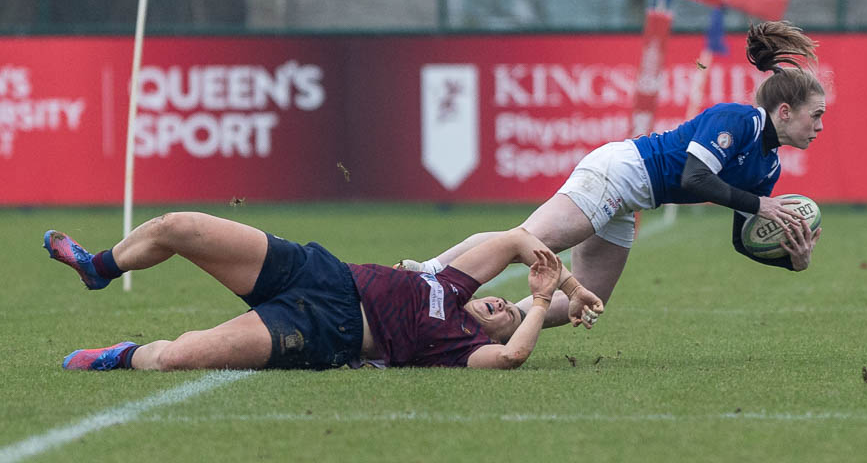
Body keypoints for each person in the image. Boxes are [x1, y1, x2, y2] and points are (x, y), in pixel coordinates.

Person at [400, 21, 826, 327]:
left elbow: (741, 239)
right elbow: (695, 178)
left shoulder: (767, 165)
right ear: (785, 111)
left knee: (583, 303)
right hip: (619, 172)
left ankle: (480, 327)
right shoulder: (737, 119)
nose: (821, 127)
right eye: (816, 115)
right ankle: (423, 275)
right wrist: (760, 204)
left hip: (633, 200)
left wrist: (792, 258)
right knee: (528, 241)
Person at [44, 212, 603, 371]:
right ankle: (98, 267)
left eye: (505, 312)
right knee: (178, 228)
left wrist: (537, 304)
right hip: (317, 273)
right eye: (504, 300)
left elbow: (513, 355)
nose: (500, 304)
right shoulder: (454, 285)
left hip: (321, 333)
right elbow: (512, 238)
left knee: (183, 356)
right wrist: (569, 286)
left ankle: (121, 356)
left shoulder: (463, 348)